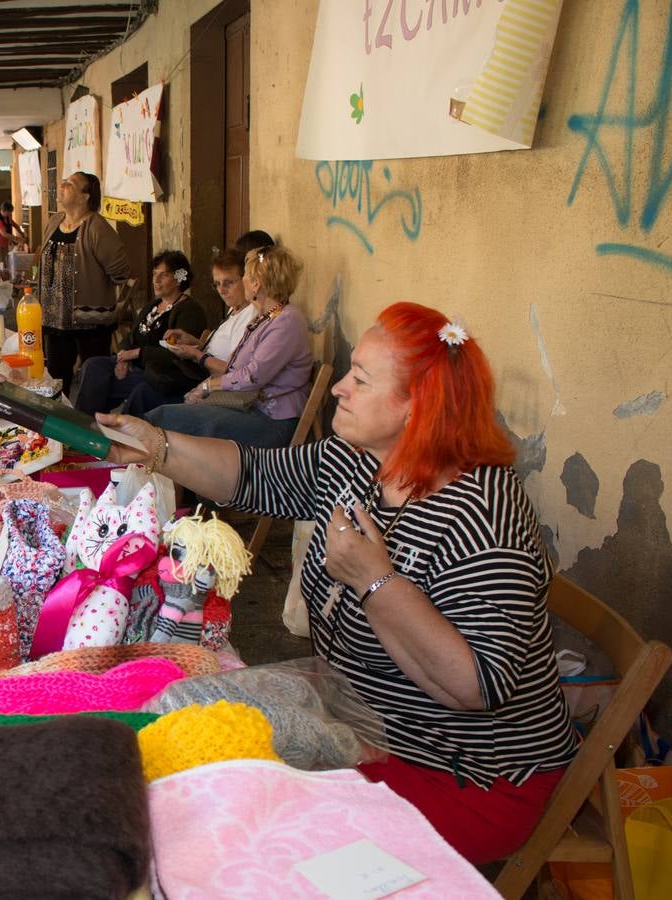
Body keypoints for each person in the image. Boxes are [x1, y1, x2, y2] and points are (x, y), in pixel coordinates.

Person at [98, 302, 577, 864]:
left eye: (361, 380)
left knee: (242, 825)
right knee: (179, 735)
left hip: (465, 776)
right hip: (360, 726)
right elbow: (253, 475)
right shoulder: (355, 459)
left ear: (417, 407)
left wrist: (375, 581)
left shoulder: (482, 512)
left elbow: (476, 687)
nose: (338, 389)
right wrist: (157, 448)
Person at [145, 244, 311, 449]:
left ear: (256, 284)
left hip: (271, 421)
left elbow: (251, 375)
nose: (243, 280)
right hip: (250, 408)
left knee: (165, 418)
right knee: (167, 415)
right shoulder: (265, 318)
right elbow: (236, 366)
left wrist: (207, 386)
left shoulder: (287, 321)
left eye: (246, 275)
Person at [128, 231, 277, 418]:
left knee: (145, 396)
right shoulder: (235, 310)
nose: (221, 290)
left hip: (216, 393)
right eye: (217, 284)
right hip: (201, 380)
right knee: (135, 387)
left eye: (228, 283)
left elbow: (236, 371)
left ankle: (120, 441)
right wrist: (193, 342)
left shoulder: (257, 317)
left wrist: (197, 355)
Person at [73, 250, 205, 416]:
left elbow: (177, 354)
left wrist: (136, 354)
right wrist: (123, 357)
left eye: (163, 275)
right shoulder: (154, 304)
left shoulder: (189, 310)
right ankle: (85, 425)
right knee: (93, 366)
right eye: (154, 273)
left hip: (157, 373)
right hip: (134, 366)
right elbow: (131, 335)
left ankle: (97, 428)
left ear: (179, 278)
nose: (156, 280)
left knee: (99, 384)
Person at [36, 170, 131, 395]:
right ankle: (59, 424)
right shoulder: (54, 221)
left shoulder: (97, 228)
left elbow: (121, 272)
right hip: (55, 318)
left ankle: (91, 422)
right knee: (57, 375)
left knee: (93, 375)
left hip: (89, 321)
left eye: (69, 184)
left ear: (85, 196)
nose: (62, 185)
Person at [0, 201, 27, 267]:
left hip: (4, 242)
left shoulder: (7, 216)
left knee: (5, 260)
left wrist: (22, 233)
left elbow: (15, 225)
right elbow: (4, 234)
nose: (10, 214)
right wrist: (17, 239)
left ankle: (5, 276)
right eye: (9, 212)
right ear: (5, 211)